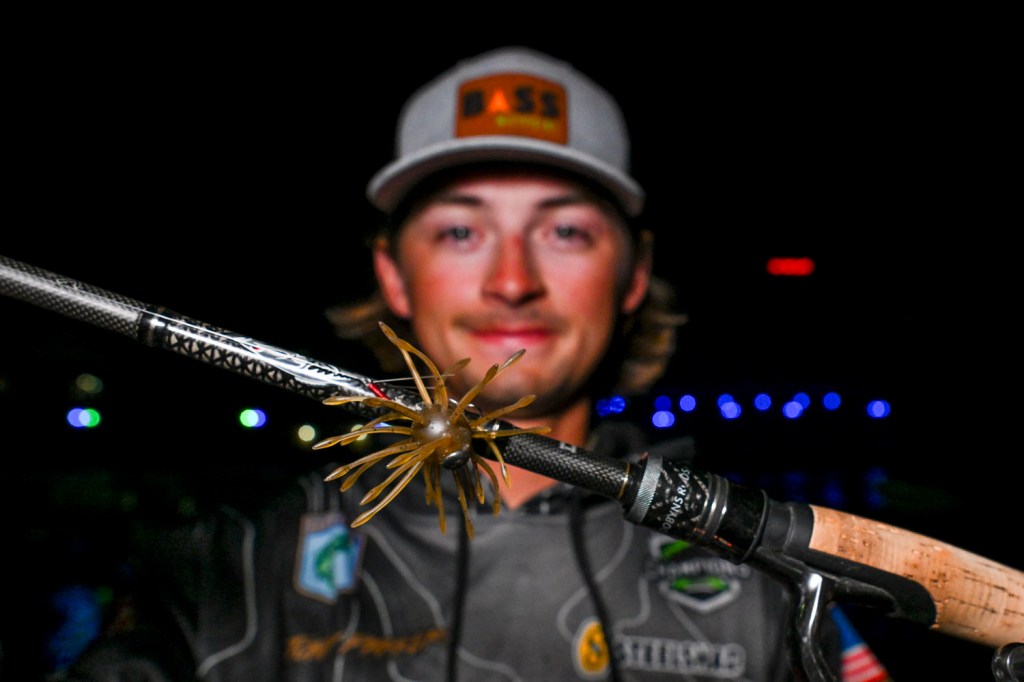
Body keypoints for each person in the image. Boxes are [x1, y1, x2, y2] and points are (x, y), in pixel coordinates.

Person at [67, 45, 890, 682]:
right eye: (461, 231)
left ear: (633, 273)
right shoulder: (226, 569)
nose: (512, 280)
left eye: (565, 231)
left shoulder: (763, 580)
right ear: (393, 272)